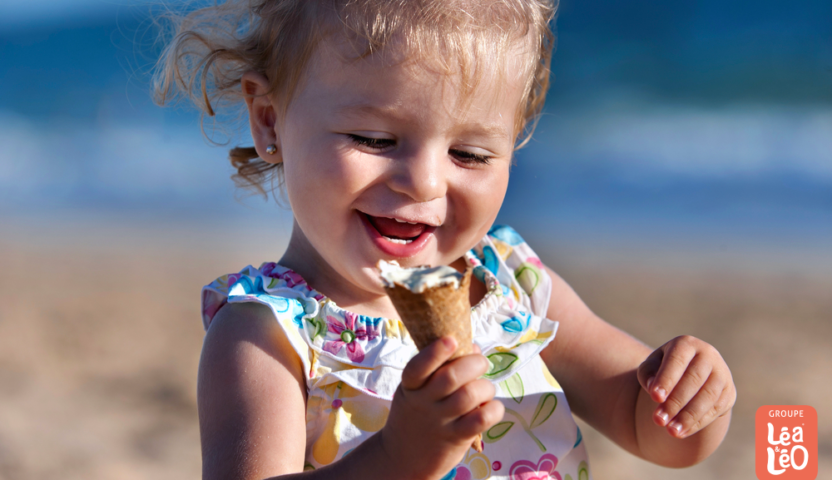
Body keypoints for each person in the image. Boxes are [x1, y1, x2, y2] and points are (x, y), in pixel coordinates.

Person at [153, 1, 736, 479]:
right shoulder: (266, 335)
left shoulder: (511, 283)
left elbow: (649, 429)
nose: (425, 182)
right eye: (374, 138)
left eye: (470, 153)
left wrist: (693, 397)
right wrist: (398, 457)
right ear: (270, 120)